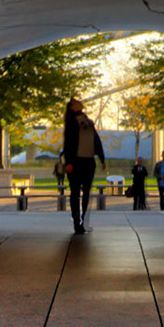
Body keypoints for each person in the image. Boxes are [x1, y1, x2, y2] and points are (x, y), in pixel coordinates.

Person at [60, 98, 106, 235]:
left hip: (88, 161)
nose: (79, 103)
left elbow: (96, 140)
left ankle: (83, 220)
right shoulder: (71, 123)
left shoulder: (88, 122)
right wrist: (68, 162)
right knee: (75, 192)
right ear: (72, 107)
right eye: (75, 103)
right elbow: (68, 143)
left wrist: (102, 158)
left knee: (86, 192)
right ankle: (76, 221)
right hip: (75, 162)